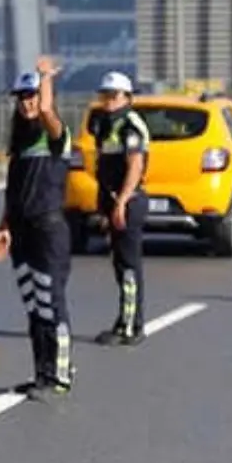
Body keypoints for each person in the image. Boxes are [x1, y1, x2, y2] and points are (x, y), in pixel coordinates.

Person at [0, 57, 74, 398]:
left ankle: (61, 375)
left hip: (49, 230)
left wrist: (45, 81)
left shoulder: (55, 137)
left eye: (32, 96)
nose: (27, 102)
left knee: (51, 302)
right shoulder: (21, 145)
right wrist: (4, 228)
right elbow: (13, 193)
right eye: (22, 97)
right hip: (23, 231)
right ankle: (41, 373)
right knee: (33, 305)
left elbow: (50, 116)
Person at [89, 71, 151, 346]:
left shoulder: (129, 124)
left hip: (128, 201)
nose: (108, 100)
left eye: (114, 95)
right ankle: (125, 320)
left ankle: (130, 326)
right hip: (113, 200)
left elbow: (135, 166)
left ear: (127, 97)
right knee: (120, 265)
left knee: (128, 266)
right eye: (105, 95)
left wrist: (121, 202)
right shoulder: (106, 123)